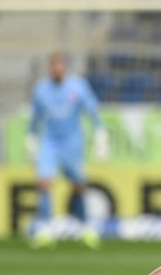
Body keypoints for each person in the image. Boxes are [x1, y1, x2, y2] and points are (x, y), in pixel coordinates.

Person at [26, 52, 109, 248]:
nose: (57, 69)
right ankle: (46, 229)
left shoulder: (78, 86)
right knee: (44, 183)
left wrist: (100, 135)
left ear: (64, 67)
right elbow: (36, 117)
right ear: (50, 68)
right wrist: (31, 139)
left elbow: (92, 110)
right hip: (50, 143)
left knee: (78, 186)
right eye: (54, 65)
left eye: (60, 65)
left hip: (72, 143)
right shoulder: (41, 90)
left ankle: (85, 227)